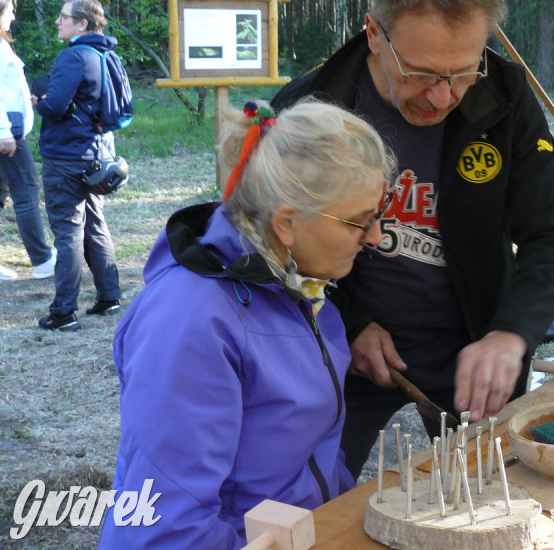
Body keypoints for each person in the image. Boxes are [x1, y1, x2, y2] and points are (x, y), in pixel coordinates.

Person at [272, 0, 554, 476]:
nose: (441, 98)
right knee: (312, 491)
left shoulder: (503, 99)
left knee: (488, 490)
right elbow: (273, 245)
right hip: (344, 348)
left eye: (462, 74)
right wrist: (348, 321)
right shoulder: (310, 111)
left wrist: (511, 333)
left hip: (474, 342)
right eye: (420, 74)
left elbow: (550, 235)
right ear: (374, 33)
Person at [98, 99, 394, 548]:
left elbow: (309, 463)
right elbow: (165, 526)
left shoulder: (303, 289)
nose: (375, 237)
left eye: (378, 214)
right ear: (287, 224)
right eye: (359, 221)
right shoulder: (190, 321)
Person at [34, 0, 122, 331]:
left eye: (63, 16)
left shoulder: (73, 55)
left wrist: (38, 102)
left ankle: (64, 312)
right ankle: (109, 297)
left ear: (82, 24)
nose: (58, 21)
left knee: (68, 230)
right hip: (96, 155)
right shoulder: (104, 53)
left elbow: (55, 106)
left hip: (66, 156)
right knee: (95, 225)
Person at [0, 0, 56, 282]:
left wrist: (27, 102)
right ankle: (43, 260)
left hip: (8, 129)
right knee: (26, 195)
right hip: (7, 137)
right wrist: (3, 132)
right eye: (9, 11)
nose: (13, 16)